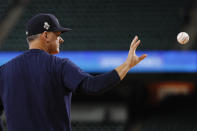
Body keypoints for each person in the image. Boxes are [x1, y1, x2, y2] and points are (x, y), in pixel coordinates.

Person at [0, 13, 147, 131]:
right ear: (45, 35)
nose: (61, 39)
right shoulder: (59, 66)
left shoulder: (4, 71)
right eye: (57, 35)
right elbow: (94, 85)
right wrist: (127, 65)